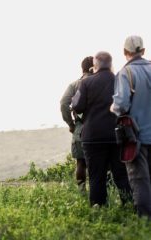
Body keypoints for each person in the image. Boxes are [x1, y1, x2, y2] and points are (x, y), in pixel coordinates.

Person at [72, 51, 132, 206]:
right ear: (111, 64)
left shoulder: (86, 83)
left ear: (95, 66)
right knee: (121, 174)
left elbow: (77, 107)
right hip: (116, 135)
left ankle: (98, 207)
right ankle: (129, 205)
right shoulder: (120, 80)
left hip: (93, 136)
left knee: (96, 176)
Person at [111, 35, 151, 218]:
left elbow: (121, 106)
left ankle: (144, 221)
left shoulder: (125, 74)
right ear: (143, 51)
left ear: (125, 52)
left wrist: (113, 107)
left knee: (140, 180)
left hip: (137, 137)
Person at [60, 56, 93, 192]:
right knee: (103, 163)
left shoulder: (74, 85)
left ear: (82, 68)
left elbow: (63, 103)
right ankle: (102, 193)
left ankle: (81, 192)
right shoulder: (102, 82)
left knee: (81, 162)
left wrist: (71, 124)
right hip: (100, 127)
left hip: (80, 128)